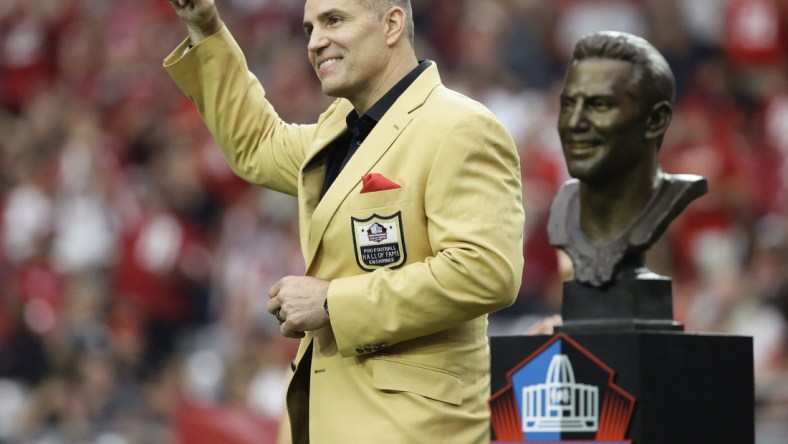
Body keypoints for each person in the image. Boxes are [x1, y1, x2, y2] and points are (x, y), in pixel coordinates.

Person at [163, 1, 525, 443]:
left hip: (415, 429)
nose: (315, 42)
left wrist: (334, 302)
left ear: (392, 24)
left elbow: (486, 272)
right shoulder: (340, 130)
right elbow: (257, 144)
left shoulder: (460, 127)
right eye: (309, 28)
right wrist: (207, 27)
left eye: (334, 21)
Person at [547, 31, 707, 288]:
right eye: (568, 105)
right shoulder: (564, 208)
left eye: (599, 105)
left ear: (655, 121)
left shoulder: (668, 201)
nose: (575, 123)